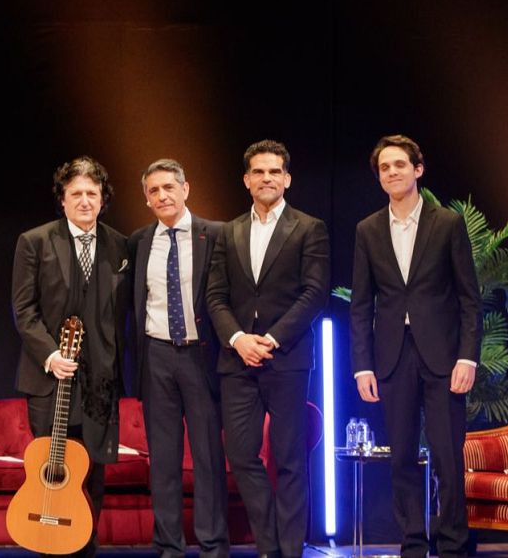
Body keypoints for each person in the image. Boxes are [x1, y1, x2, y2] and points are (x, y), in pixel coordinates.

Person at [350, 135, 480, 558]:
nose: (392, 172)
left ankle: (454, 545)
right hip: (392, 356)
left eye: (400, 165)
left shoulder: (447, 223)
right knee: (401, 456)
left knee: (446, 456)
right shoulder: (368, 229)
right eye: (384, 167)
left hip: (443, 356)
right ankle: (412, 544)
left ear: (417, 170)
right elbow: (361, 304)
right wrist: (362, 366)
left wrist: (467, 357)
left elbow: (469, 297)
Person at [205, 140, 330, 558]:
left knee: (290, 458)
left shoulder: (309, 228)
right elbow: (215, 296)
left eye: (275, 171)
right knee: (241, 455)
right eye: (258, 172)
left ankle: (289, 550)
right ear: (246, 180)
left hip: (287, 358)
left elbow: (314, 293)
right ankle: (269, 544)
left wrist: (272, 338)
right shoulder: (229, 231)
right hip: (237, 360)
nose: (266, 178)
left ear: (287, 179)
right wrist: (239, 339)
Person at [11, 156, 129, 558]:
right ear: (62, 199)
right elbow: (23, 310)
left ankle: (86, 548)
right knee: (52, 470)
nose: (84, 201)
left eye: (92, 193)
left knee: (93, 475)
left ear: (102, 199)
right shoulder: (35, 241)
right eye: (75, 193)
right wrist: (50, 355)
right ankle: (50, 547)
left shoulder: (119, 245)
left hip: (100, 382)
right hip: (48, 379)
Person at [129, 159, 228, 558]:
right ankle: (168, 546)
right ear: (146, 198)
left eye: (169, 187)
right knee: (164, 461)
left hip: (201, 356)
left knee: (207, 457)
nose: (162, 196)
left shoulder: (216, 234)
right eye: (153, 190)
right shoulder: (139, 241)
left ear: (186, 189)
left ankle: (213, 545)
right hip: (156, 356)